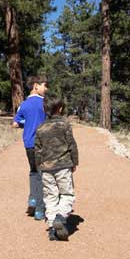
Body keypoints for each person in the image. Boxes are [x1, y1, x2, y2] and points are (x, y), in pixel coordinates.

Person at [32, 98, 78, 241]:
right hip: (63, 166)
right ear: (60, 109)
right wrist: (74, 162)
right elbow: (72, 145)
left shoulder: (40, 128)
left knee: (50, 197)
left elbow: (37, 150)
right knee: (67, 194)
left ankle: (52, 227)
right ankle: (61, 216)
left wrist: (39, 165)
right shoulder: (64, 125)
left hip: (46, 168)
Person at [13, 75, 47, 220]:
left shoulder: (24, 104)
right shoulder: (45, 104)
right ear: (35, 86)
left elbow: (16, 123)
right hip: (42, 143)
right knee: (42, 175)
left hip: (28, 144)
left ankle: (33, 199)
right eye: (44, 85)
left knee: (33, 171)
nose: (46, 89)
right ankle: (39, 209)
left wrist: (27, 123)